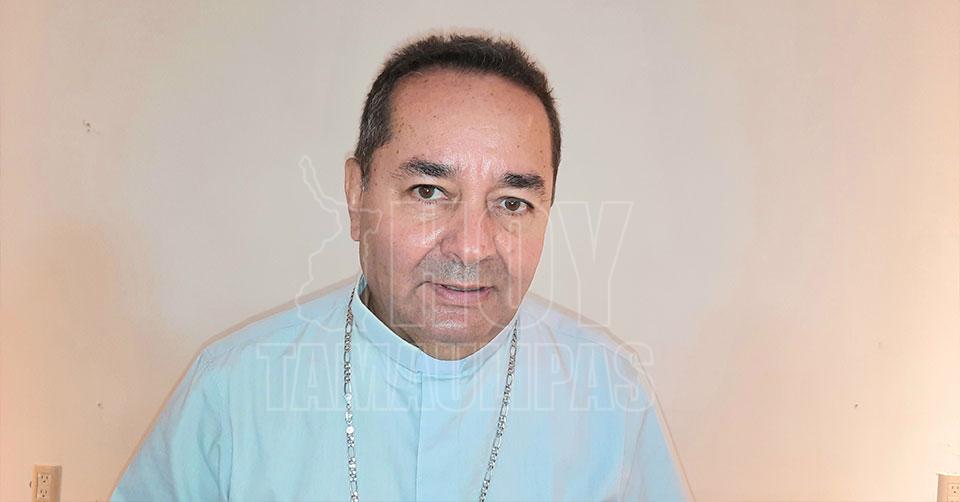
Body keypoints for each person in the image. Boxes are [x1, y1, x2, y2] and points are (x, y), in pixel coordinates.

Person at [111, 32, 692, 501]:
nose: (471, 249)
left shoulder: (610, 396)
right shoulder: (232, 390)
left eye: (513, 203)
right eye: (428, 191)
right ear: (356, 195)